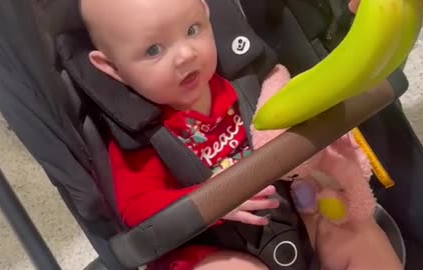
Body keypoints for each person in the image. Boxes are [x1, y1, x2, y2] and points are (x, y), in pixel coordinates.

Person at [79, 0, 404, 269]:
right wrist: (211, 199)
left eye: (192, 30)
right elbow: (136, 208)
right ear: (112, 67)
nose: (185, 55)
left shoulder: (247, 85)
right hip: (205, 249)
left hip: (294, 216)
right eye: (153, 50)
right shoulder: (140, 136)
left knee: (359, 235)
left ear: (206, 11)